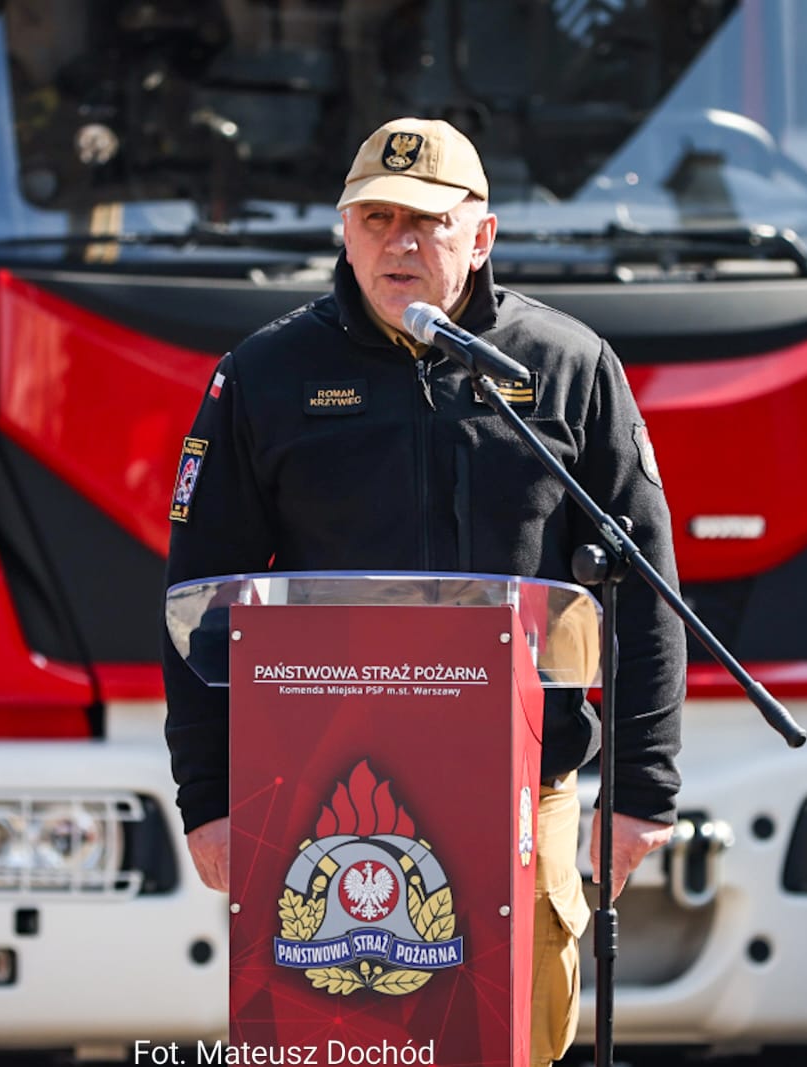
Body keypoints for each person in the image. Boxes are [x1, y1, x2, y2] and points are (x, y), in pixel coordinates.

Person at [160, 117, 686, 1065]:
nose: (398, 243)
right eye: (376, 219)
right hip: (320, 806)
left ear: (481, 237)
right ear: (344, 229)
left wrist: (643, 787)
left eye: (426, 222)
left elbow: (642, 587)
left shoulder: (566, 367)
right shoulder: (265, 377)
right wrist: (207, 797)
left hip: (525, 792)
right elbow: (199, 604)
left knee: (520, 1044)